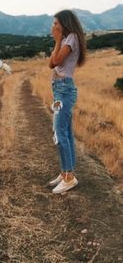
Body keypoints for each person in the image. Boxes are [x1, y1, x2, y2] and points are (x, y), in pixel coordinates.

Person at [48, 10, 86, 194]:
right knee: (66, 132)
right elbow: (51, 64)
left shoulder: (70, 38)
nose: (54, 27)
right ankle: (65, 172)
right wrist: (58, 41)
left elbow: (55, 61)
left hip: (64, 90)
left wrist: (56, 41)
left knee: (59, 132)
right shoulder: (65, 39)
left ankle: (69, 177)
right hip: (59, 90)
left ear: (65, 23)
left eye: (56, 23)